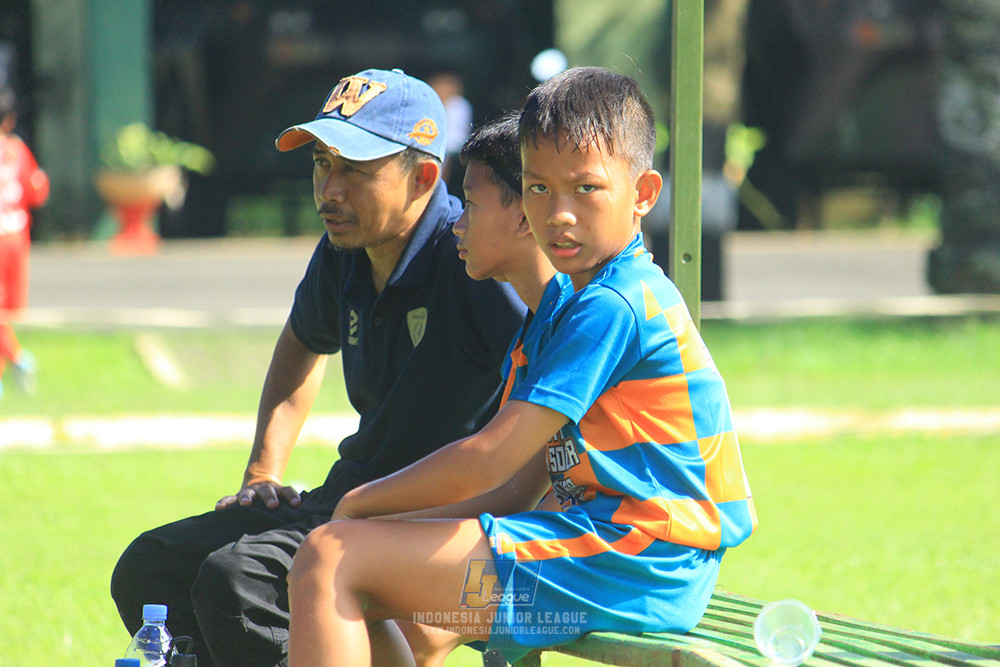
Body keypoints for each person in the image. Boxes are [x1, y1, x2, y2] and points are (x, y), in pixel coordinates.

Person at [286, 66, 757, 667]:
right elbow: (514, 487)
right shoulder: (564, 304)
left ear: (642, 195)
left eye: (585, 189)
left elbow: (491, 456)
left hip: (638, 562)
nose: (558, 214)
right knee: (369, 581)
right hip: (614, 555)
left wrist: (360, 504)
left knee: (331, 559)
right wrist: (384, 518)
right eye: (538, 188)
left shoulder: (614, 303)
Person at [110, 68, 527, 667]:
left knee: (238, 583)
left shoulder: (472, 256)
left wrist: (443, 616)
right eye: (321, 164)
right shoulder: (345, 250)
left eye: (354, 170)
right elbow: (301, 344)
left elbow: (554, 404)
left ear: (423, 177)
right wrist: (262, 471)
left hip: (431, 521)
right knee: (150, 567)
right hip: (351, 497)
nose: (329, 189)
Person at [0, 87, 48, 400]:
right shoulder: (18, 151)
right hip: (16, 239)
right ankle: (17, 360)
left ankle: (17, 359)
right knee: (6, 311)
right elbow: (37, 193)